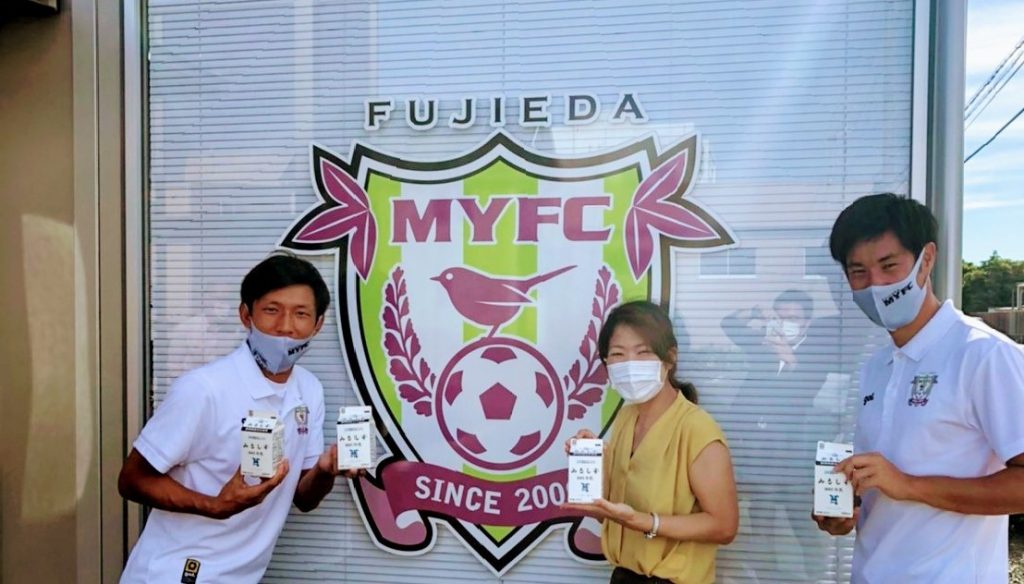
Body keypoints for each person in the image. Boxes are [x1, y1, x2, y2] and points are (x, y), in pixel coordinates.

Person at [812, 193, 1024, 583]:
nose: (875, 284)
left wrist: (909, 485)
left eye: (888, 266)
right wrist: (846, 510)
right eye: (858, 272)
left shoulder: (984, 354)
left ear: (926, 260)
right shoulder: (877, 366)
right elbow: (886, 484)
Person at [118, 254, 357, 583]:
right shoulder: (203, 389)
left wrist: (325, 470)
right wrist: (215, 505)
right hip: (178, 572)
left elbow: (303, 497)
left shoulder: (309, 390)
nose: (286, 327)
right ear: (246, 315)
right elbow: (132, 479)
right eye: (271, 310)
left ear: (317, 325)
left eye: (301, 314)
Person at [564, 300, 738, 584]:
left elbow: (724, 526)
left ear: (670, 357)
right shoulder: (626, 418)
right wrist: (592, 464)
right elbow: (611, 515)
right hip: (623, 576)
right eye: (617, 354)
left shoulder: (697, 428)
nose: (629, 363)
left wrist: (644, 522)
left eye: (643, 352)